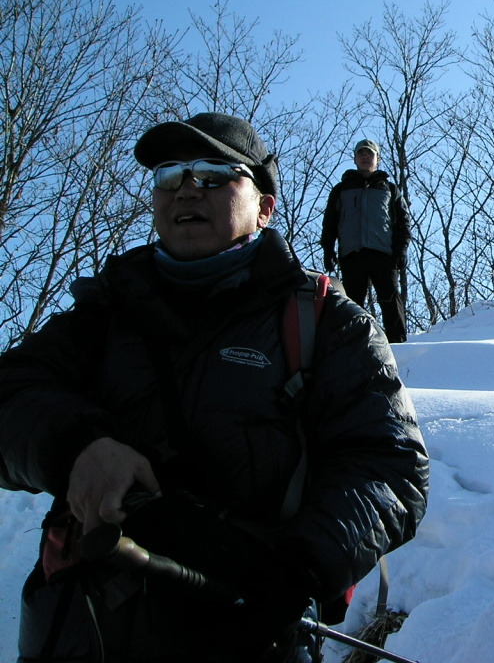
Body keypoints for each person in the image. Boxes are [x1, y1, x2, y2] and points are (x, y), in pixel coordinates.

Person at [0, 112, 429, 662]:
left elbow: (388, 464)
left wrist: (297, 567)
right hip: (81, 628)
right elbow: (10, 394)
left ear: (265, 206)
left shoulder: (325, 322)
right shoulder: (103, 312)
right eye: (169, 174)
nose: (186, 188)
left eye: (212, 173)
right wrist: (77, 446)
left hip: (248, 633)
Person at [320, 140, 411, 344]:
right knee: (352, 302)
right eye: (361, 154)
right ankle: (355, 345)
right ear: (355, 159)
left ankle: (399, 345)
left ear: (377, 159)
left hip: (383, 253)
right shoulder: (341, 189)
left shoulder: (389, 188)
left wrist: (401, 249)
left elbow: (403, 223)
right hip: (352, 253)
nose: (365, 157)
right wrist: (328, 249)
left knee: (389, 299)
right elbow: (330, 222)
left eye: (369, 154)